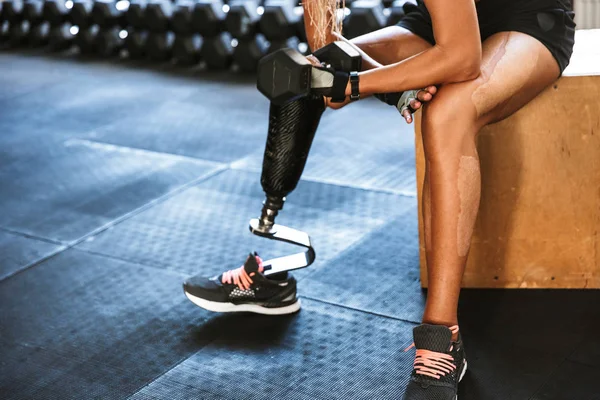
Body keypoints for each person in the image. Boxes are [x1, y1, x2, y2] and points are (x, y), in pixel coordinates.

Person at [183, 0, 575, 398]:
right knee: (302, 74)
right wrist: (343, 77)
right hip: (433, 24)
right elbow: (327, 60)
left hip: (528, 21)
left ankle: (442, 338)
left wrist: (357, 84)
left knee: (446, 114)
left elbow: (463, 58)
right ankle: (271, 242)